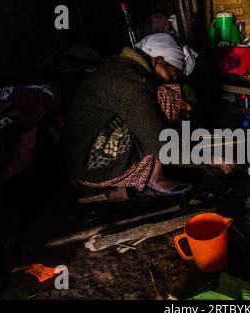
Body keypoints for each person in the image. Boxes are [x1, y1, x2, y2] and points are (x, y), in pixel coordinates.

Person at [63, 33, 200, 196]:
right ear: (159, 60)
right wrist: (210, 161)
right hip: (91, 168)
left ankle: (154, 173)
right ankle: (155, 179)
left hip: (79, 160)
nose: (171, 80)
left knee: (152, 108)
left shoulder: (123, 66)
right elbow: (159, 146)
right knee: (167, 96)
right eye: (172, 75)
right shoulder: (130, 84)